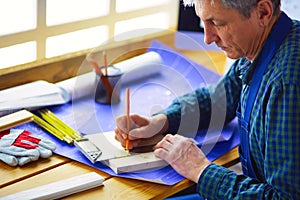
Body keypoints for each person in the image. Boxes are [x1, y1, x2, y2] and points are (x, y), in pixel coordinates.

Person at [114, 0, 300, 199]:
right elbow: (220, 98)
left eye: (217, 23)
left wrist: (199, 169)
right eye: (204, 22)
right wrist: (161, 121)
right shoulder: (264, 44)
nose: (208, 39)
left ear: (263, 12)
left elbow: (284, 197)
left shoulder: (286, 83)